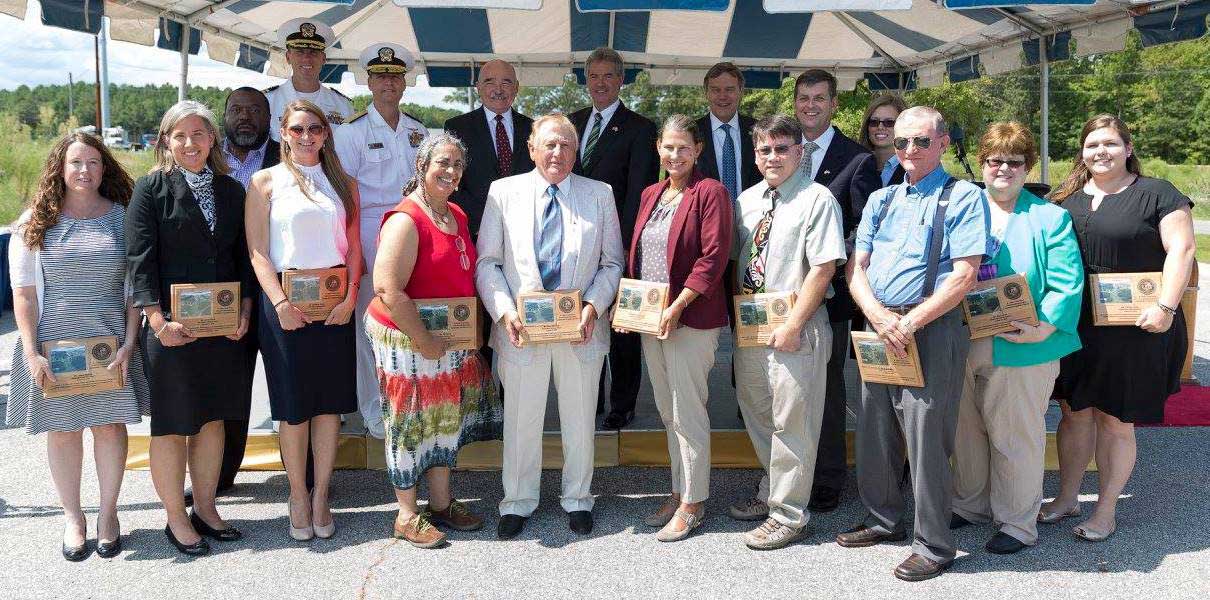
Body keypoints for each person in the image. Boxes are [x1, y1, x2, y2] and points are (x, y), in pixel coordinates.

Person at [839, 106, 987, 581]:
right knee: (875, 428)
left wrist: (911, 321)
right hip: (881, 327)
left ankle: (934, 544)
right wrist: (880, 318)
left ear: (943, 143)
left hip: (932, 328)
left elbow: (964, 275)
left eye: (920, 142)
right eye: (901, 142)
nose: (908, 151)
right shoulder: (882, 200)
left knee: (926, 438)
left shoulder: (962, 197)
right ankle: (884, 519)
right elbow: (855, 270)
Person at [1043, 114, 1195, 542]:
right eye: (1092, 145)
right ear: (1082, 152)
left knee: (1114, 419)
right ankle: (1067, 497)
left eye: (1110, 143)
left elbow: (1181, 250)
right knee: (1074, 413)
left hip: (1137, 326)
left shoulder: (1158, 194)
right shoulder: (1067, 198)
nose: (1101, 152)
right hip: (1078, 325)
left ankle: (1105, 510)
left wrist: (1166, 306)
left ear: (1128, 148)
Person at [476, 114, 624, 539]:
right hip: (521, 330)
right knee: (521, 420)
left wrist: (594, 306)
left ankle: (578, 498)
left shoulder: (599, 194)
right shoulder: (503, 193)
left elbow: (612, 263)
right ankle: (518, 501)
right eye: (549, 144)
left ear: (576, 151)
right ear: (532, 149)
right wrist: (505, 312)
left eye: (565, 145)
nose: (557, 153)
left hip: (581, 329)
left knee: (579, 418)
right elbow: (488, 263)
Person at [7, 133, 150, 561]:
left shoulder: (123, 218)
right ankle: (74, 518)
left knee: (109, 427)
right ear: (60, 169)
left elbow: (132, 290)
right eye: (75, 163)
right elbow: (25, 295)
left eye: (92, 161)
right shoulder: (35, 223)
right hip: (55, 348)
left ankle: (109, 515)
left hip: (110, 345)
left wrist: (130, 341)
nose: (84, 171)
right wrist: (32, 353)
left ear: (105, 167)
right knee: (64, 432)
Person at [127, 100, 256, 556]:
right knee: (172, 424)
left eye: (198, 134)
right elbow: (140, 261)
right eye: (179, 135)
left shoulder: (232, 190)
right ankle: (176, 519)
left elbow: (243, 256)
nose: (190, 143)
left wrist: (243, 309)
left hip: (221, 329)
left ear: (212, 139)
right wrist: (156, 320)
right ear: (165, 141)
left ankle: (206, 507)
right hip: (172, 330)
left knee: (213, 419)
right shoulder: (150, 189)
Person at [950, 122, 1084, 554]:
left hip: (1025, 341)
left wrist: (1043, 327)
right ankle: (970, 504)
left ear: (1028, 167)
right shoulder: (962, 207)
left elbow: (1067, 282)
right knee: (965, 430)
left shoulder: (1050, 217)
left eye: (1014, 161)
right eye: (994, 160)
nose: (1003, 169)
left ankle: (1016, 523)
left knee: (1015, 436)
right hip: (963, 338)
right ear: (983, 164)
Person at [366, 133, 504, 548]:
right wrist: (423, 338)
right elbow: (388, 289)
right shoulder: (406, 219)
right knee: (409, 425)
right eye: (442, 163)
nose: (450, 171)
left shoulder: (456, 214)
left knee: (444, 421)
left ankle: (442, 504)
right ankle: (407, 514)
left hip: (445, 339)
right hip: (406, 340)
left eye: (457, 165)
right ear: (422, 167)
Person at [728, 115, 846, 549]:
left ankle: (789, 514)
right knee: (757, 411)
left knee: (792, 421)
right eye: (764, 150)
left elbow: (824, 267)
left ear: (800, 152)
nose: (773, 157)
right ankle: (773, 491)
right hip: (753, 331)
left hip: (798, 328)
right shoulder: (746, 201)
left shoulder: (818, 200)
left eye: (782, 148)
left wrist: (794, 323)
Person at [245, 100, 362, 542]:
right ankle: (297, 494)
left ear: (326, 133)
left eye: (315, 128)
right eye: (298, 129)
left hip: (334, 307)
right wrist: (278, 303)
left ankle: (322, 495)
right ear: (283, 132)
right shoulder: (264, 182)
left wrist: (351, 297)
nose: (307, 136)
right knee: (294, 410)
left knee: (329, 407)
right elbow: (258, 252)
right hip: (286, 308)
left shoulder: (344, 182)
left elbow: (353, 250)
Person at [618, 115, 732, 542]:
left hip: (690, 319)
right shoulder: (652, 193)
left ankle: (694, 501)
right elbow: (642, 257)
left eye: (684, 147)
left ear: (698, 150)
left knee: (688, 411)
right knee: (668, 412)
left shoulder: (710, 192)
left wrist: (678, 304)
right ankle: (678, 488)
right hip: (652, 320)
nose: (675, 155)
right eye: (668, 147)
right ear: (658, 149)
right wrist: (633, 310)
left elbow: (712, 259)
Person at [792, 69, 882, 513]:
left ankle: (827, 478)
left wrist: (828, 262)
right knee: (788, 387)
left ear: (834, 105)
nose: (811, 105)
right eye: (804, 98)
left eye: (819, 98)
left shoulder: (857, 159)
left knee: (826, 389)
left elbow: (865, 229)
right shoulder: (785, 148)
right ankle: (791, 471)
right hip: (781, 291)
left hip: (830, 295)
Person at [186, 86, 280, 505]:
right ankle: (218, 477)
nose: (245, 117)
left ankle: (308, 475)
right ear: (225, 115)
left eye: (255, 110)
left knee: (289, 378)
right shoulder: (202, 155)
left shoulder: (290, 153)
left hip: (280, 287)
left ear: (268, 116)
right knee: (228, 386)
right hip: (223, 291)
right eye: (237, 109)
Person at [333, 42, 428, 440]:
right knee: (369, 329)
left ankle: (414, 403)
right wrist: (356, 252)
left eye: (395, 76)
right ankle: (375, 411)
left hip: (415, 228)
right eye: (380, 76)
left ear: (404, 83)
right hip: (371, 229)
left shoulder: (418, 131)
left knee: (413, 318)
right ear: (369, 82)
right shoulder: (351, 132)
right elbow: (345, 197)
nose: (388, 83)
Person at [570, 47, 659, 430]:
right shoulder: (571, 124)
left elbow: (639, 189)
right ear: (586, 80)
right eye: (594, 76)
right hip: (575, 243)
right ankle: (589, 399)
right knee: (583, 322)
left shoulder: (640, 127)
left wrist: (624, 246)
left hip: (618, 242)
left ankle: (621, 405)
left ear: (621, 80)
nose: (601, 83)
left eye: (609, 76)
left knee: (623, 329)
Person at [444, 59, 536, 238]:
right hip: (476, 230)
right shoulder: (457, 128)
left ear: (516, 87)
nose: (498, 89)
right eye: (489, 82)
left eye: (506, 82)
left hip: (526, 229)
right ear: (478, 87)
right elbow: (452, 184)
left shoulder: (534, 128)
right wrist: (482, 221)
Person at [265, 18, 353, 142]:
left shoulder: (343, 105)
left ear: (323, 58)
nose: (306, 58)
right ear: (288, 57)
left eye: (313, 52)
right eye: (300, 52)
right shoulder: (268, 101)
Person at [695, 62, 760, 202]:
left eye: (729, 89)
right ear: (706, 93)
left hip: (754, 219)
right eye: (715, 90)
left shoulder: (760, 130)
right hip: (705, 219)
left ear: (741, 91)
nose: (722, 96)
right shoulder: (690, 132)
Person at [858, 94, 909, 186]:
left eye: (889, 122)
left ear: (904, 126)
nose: (880, 127)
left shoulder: (912, 168)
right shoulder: (856, 165)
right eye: (874, 122)